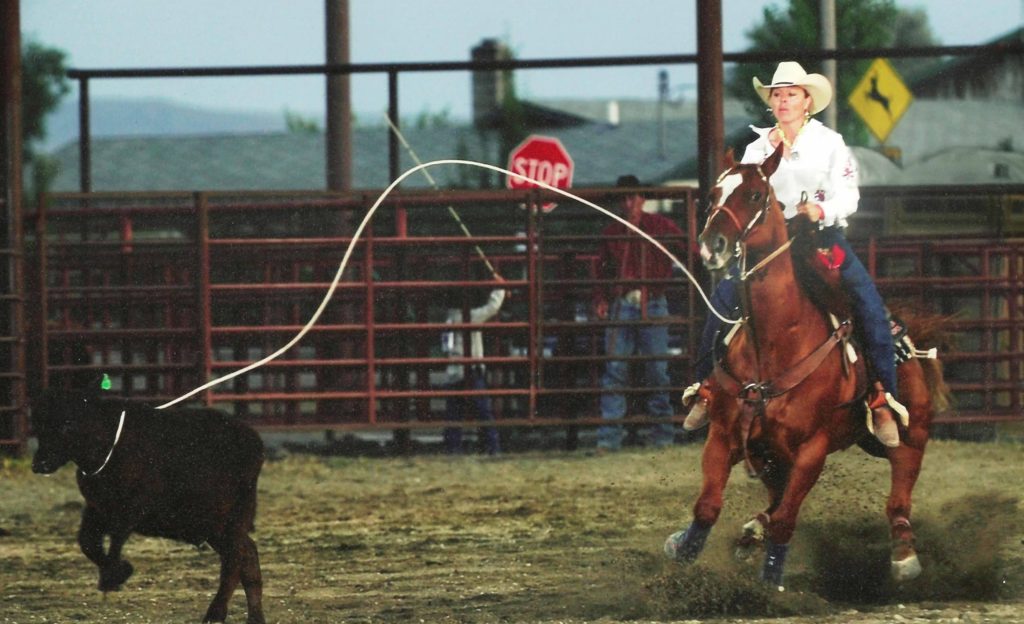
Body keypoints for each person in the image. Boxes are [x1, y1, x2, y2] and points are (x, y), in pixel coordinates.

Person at [681, 61, 904, 447]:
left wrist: (821, 209)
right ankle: (705, 388)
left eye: (791, 94)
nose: (783, 101)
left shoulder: (829, 143)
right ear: (771, 102)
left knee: (868, 304)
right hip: (766, 247)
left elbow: (849, 196)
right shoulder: (756, 148)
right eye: (777, 95)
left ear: (807, 101)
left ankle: (882, 397)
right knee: (721, 303)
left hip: (820, 238)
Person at [593, 175, 685, 451]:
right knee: (616, 370)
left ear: (641, 199)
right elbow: (601, 269)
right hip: (625, 302)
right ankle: (612, 438)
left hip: (650, 301)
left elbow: (687, 247)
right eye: (624, 198)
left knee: (655, 370)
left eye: (632, 197)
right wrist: (602, 298)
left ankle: (659, 435)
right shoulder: (614, 232)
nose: (628, 203)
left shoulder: (659, 226)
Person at [440, 279, 507, 455]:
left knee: (453, 413)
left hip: (454, 371)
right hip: (471, 370)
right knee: (484, 411)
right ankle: (492, 447)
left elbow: (445, 348)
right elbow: (492, 307)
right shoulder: (469, 317)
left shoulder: (448, 320)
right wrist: (500, 288)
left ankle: (452, 448)